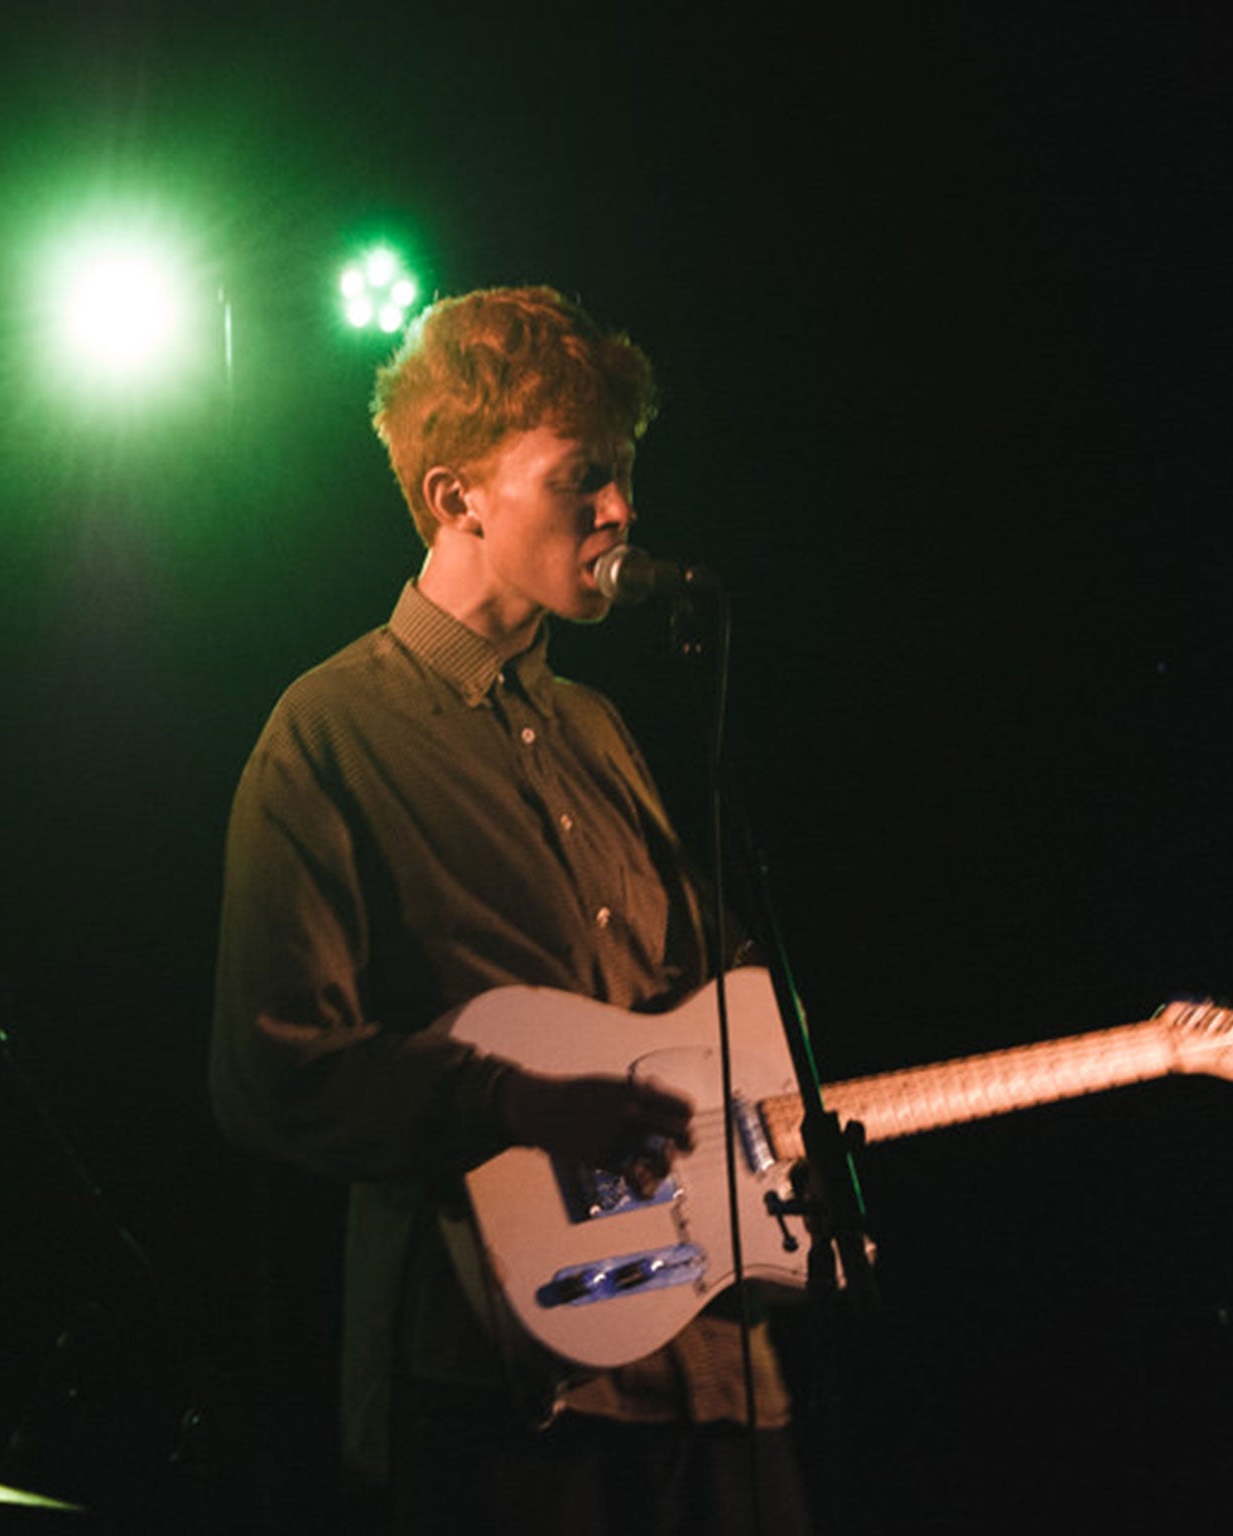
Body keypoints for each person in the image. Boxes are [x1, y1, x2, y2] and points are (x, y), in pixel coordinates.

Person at [210, 286, 807, 1533]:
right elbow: (272, 1073)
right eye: (582, 475)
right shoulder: (327, 733)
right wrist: (513, 1100)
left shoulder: (603, 732)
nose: (620, 510)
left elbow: (710, 1009)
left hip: (709, 1374)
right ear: (456, 497)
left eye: (626, 474)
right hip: (499, 1388)